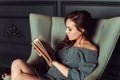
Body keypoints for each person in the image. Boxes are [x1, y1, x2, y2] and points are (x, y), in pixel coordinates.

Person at [5, 10, 98, 80]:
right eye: (66, 28)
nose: (66, 32)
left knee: (19, 77)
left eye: (70, 29)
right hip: (47, 76)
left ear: (82, 30)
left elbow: (79, 77)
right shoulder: (69, 42)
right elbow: (52, 65)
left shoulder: (91, 50)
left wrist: (55, 63)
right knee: (17, 63)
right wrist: (45, 54)